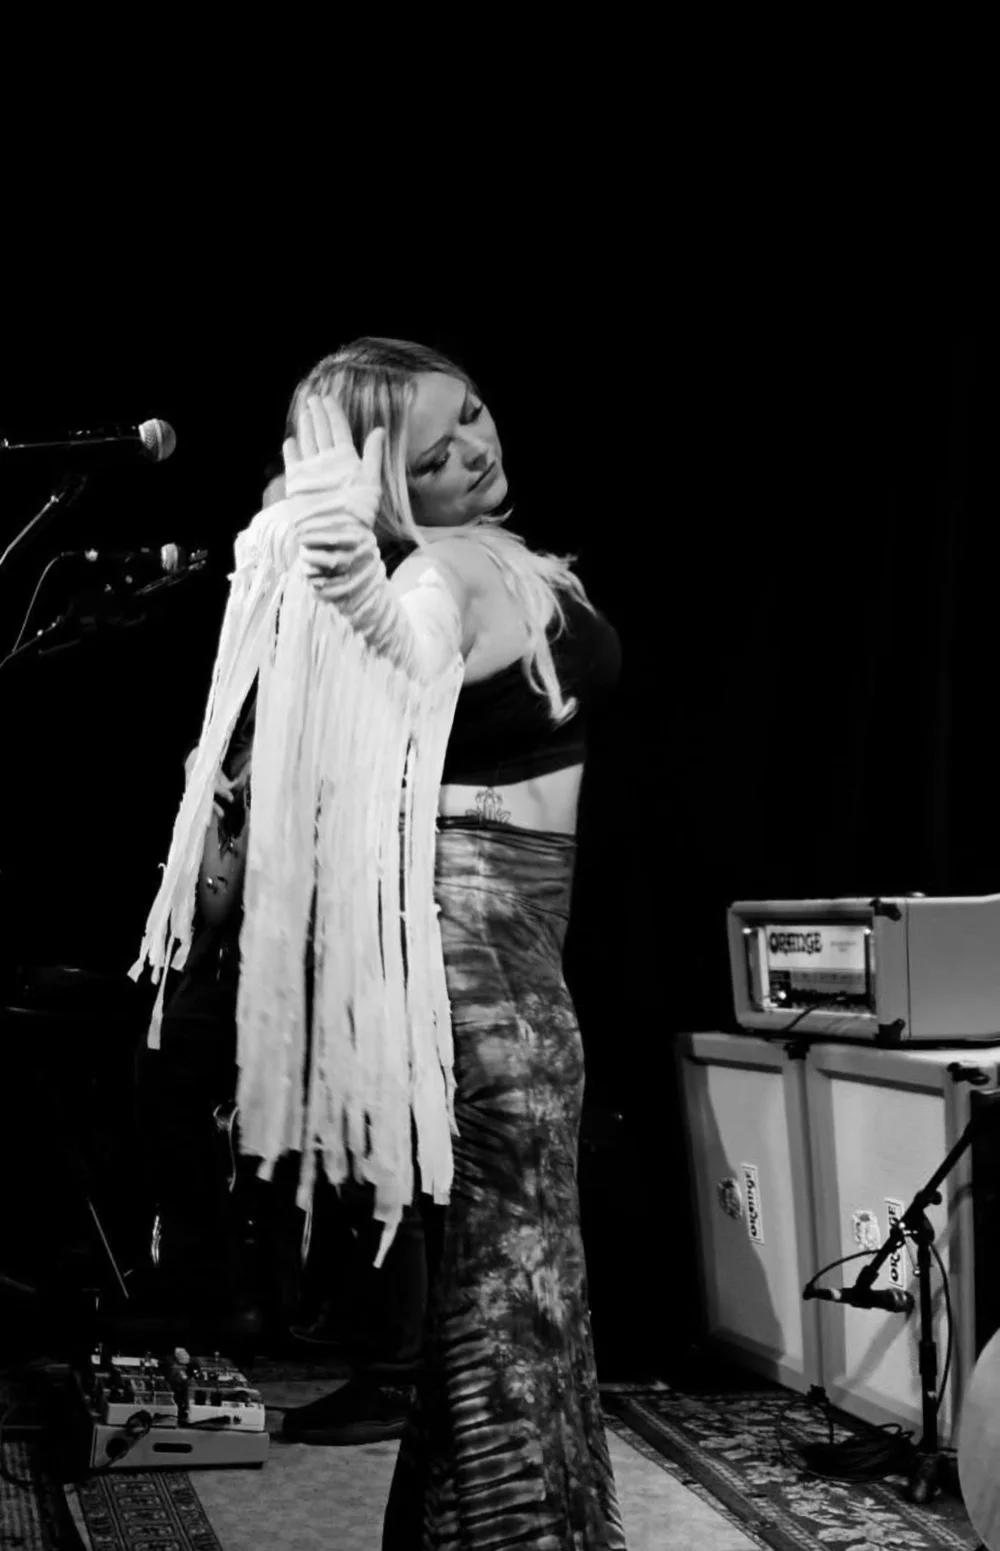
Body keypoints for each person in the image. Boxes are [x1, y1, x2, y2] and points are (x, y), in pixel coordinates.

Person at [130, 337, 626, 1547]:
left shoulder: (487, 554)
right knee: (511, 1300)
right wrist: (351, 569)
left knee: (508, 1298)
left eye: (475, 416)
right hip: (481, 967)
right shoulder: (438, 577)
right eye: (434, 452)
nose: (475, 450)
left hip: (508, 955)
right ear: (386, 482)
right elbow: (406, 650)